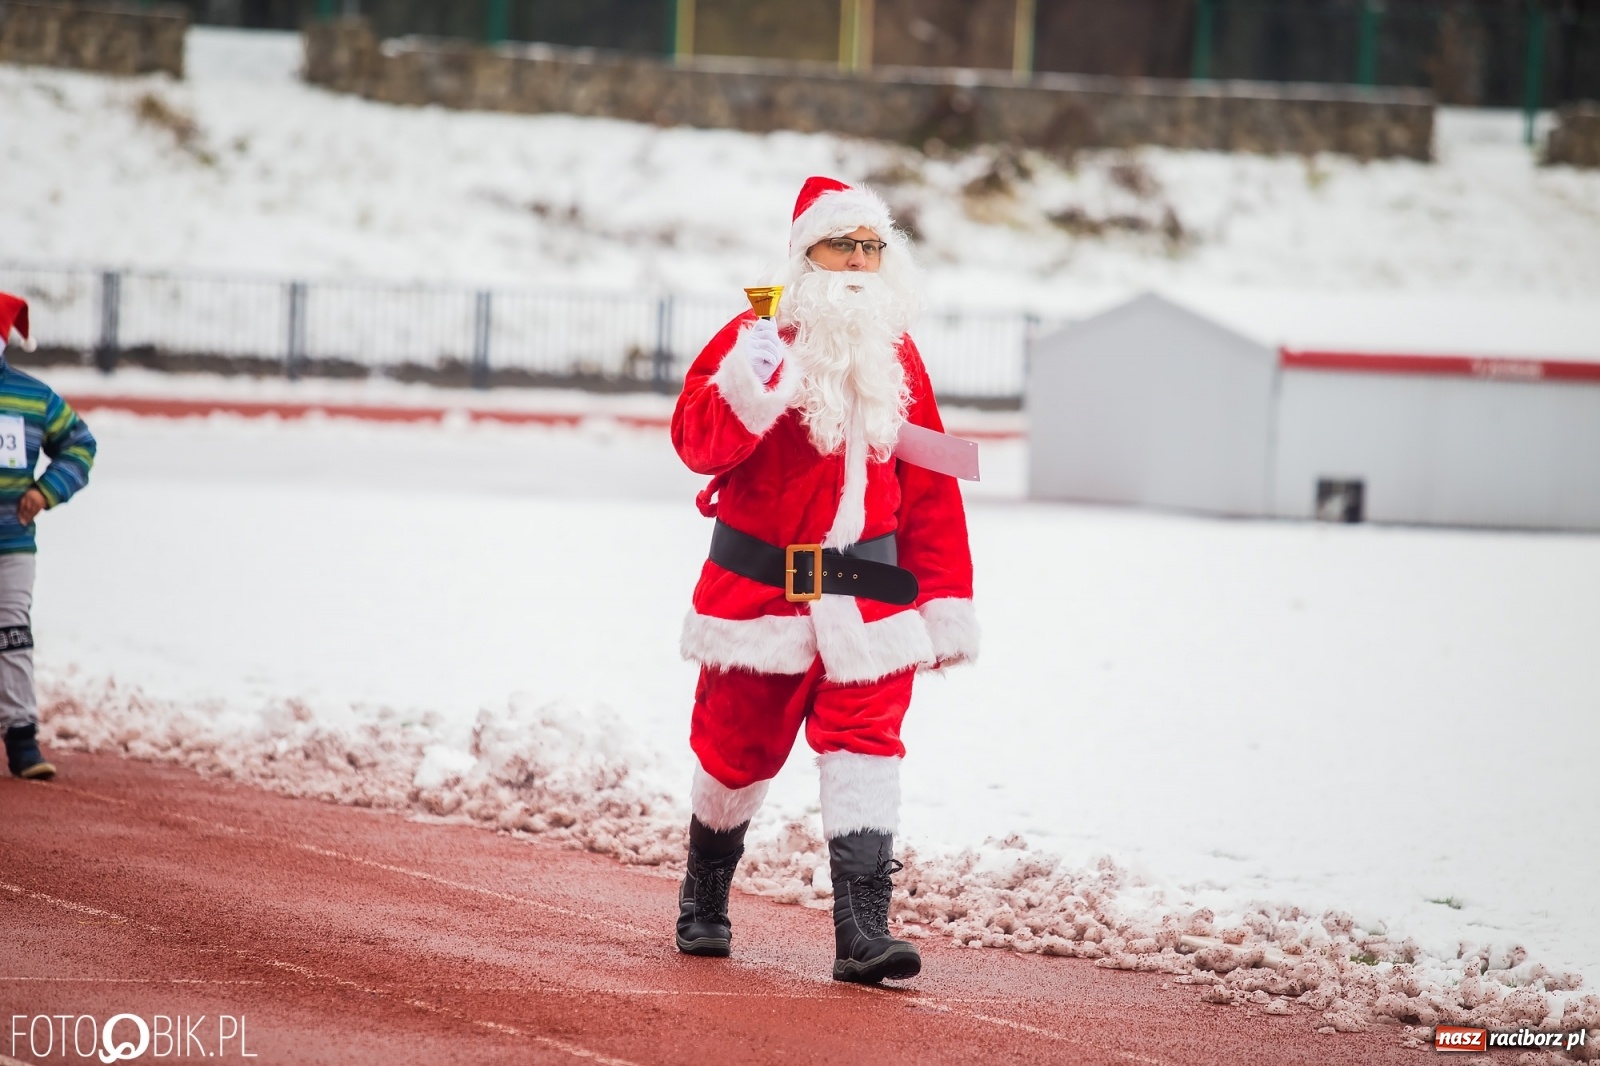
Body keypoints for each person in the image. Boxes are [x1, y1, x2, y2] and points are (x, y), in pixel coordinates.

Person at [669, 177, 978, 984]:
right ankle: (705, 895)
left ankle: (863, 932)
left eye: (874, 248)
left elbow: (932, 484)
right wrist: (747, 385)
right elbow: (696, 446)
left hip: (870, 601)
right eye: (845, 245)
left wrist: (945, 602)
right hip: (760, 600)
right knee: (734, 756)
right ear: (806, 255)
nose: (861, 263)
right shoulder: (755, 336)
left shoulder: (897, 355)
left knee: (868, 751)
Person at [0, 292, 97, 781]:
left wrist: (44, 492)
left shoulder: (34, 398)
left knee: (12, 634)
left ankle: (21, 743)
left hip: (11, 544)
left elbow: (79, 445)